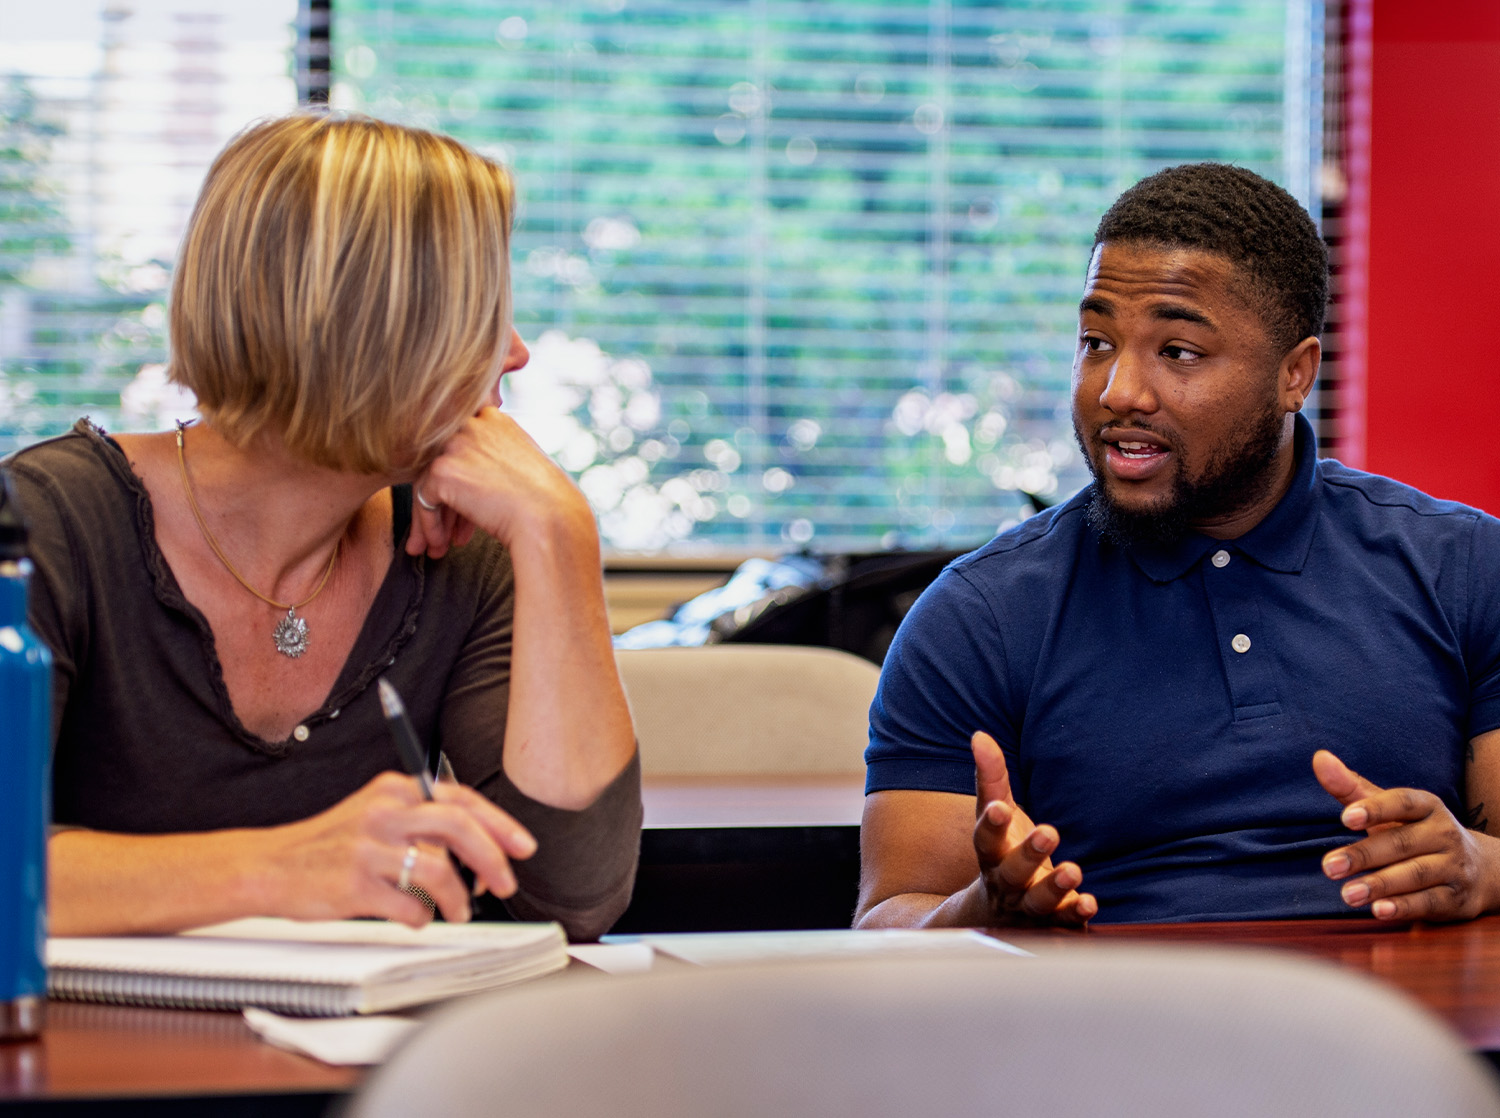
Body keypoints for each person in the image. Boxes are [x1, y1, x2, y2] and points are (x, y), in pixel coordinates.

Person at [8, 113, 640, 941]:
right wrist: (282, 867)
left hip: (351, 1063)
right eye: (483, 311)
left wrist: (560, 534)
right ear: (371, 328)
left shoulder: (462, 549)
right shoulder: (50, 523)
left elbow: (571, 895)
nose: (513, 353)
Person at [857, 162, 1500, 928]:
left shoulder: (1463, 568)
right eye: (1097, 341)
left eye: (1179, 353)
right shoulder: (978, 615)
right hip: (1122, 1031)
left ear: (1295, 374)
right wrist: (980, 908)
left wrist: (1482, 865)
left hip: (1410, 1028)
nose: (1118, 391)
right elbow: (889, 919)